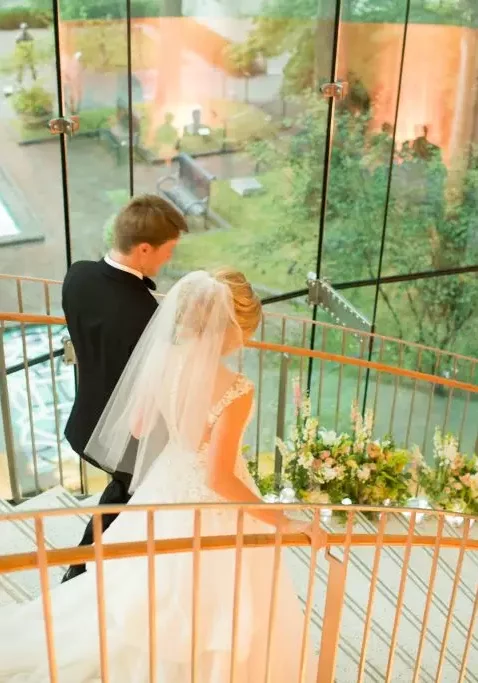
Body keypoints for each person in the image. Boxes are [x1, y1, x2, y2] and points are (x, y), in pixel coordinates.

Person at [0, 269, 317, 682]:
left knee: (142, 588)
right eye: (245, 330)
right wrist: (281, 518)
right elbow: (219, 477)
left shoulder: (163, 358)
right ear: (228, 326)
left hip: (167, 482)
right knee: (218, 603)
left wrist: (182, 417)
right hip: (212, 503)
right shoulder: (237, 388)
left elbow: (137, 426)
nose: (245, 341)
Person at [61, 193, 187, 582]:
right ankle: (80, 574)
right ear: (144, 248)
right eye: (167, 251)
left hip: (83, 421)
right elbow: (149, 396)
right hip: (118, 436)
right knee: (131, 493)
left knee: (125, 493)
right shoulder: (147, 315)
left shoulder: (77, 274)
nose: (168, 259)